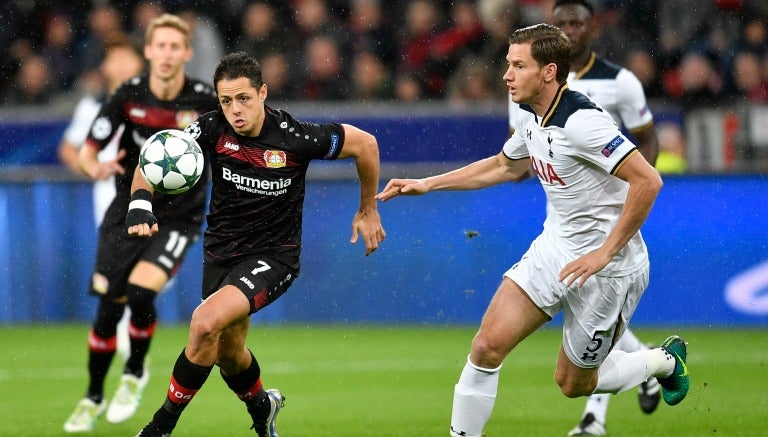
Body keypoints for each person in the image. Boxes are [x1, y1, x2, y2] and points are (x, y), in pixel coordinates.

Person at [376, 23, 690, 437]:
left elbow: (648, 180)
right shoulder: (531, 115)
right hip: (555, 249)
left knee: (573, 384)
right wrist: (428, 184)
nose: (506, 74)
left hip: (607, 271)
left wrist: (605, 253)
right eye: (508, 64)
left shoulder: (582, 123)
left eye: (518, 65)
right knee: (486, 347)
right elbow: (505, 165)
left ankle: (663, 362)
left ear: (548, 72)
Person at [127, 51, 385, 436]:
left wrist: (368, 209)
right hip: (221, 253)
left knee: (204, 323)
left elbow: (366, 145)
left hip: (273, 258)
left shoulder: (296, 137)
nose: (235, 110)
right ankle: (263, 408)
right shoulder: (211, 129)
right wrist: (140, 203)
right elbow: (156, 156)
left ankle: (158, 428)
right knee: (228, 354)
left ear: (263, 92)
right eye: (226, 101)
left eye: (244, 98)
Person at [63, 14, 218, 433]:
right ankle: (92, 396)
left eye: (175, 47)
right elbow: (86, 150)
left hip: (179, 217)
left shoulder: (205, 101)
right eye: (160, 46)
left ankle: (134, 372)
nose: (167, 54)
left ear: (186, 53)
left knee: (139, 291)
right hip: (128, 207)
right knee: (107, 310)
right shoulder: (128, 95)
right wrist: (93, 165)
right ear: (147, 52)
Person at [545, 1, 663, 434]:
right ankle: (646, 363)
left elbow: (647, 143)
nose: (568, 31)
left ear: (592, 27)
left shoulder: (620, 82)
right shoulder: (534, 79)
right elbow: (520, 146)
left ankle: (593, 418)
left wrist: (633, 201)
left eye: (576, 23)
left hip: (606, 224)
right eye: (560, 23)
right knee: (581, 319)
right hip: (561, 222)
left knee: (589, 318)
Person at [58, 34, 146, 367]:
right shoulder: (93, 106)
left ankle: (128, 327)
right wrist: (92, 167)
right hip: (110, 193)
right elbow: (69, 149)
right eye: (115, 58)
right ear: (105, 66)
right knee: (118, 264)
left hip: (150, 194)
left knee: (146, 267)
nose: (122, 65)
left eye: (128, 57)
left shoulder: (153, 103)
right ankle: (122, 332)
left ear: (140, 63)